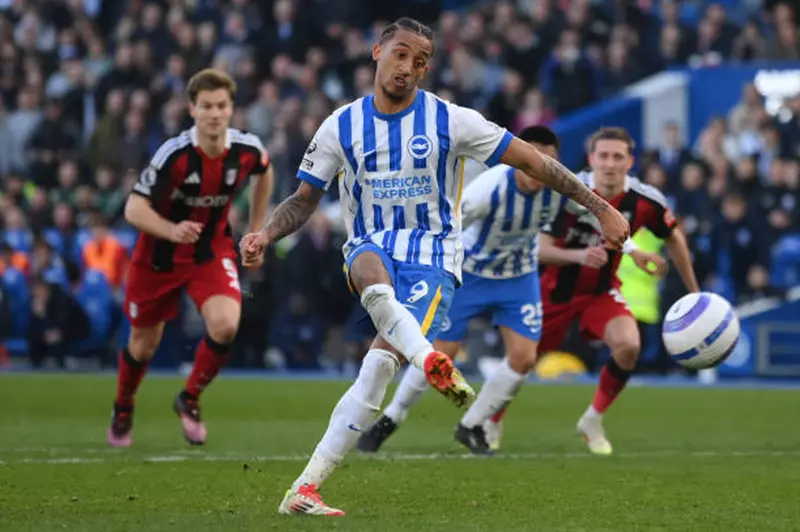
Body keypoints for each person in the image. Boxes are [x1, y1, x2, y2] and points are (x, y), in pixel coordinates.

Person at [240, 18, 629, 516]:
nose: (408, 67)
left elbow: (534, 161)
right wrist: (265, 233)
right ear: (377, 52)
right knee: (369, 268)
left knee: (378, 370)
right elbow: (302, 199)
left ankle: (304, 488)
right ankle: (429, 359)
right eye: (400, 54)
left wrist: (600, 207)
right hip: (370, 246)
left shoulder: (452, 120)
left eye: (420, 61)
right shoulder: (340, 125)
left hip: (433, 259)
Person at [355, 127, 663, 455]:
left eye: (546, 162)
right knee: (442, 352)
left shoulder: (560, 188)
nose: (537, 169)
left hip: (518, 277)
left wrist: (633, 251)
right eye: (530, 160)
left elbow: (598, 217)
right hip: (470, 274)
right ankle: (393, 416)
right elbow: (446, 228)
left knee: (524, 357)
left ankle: (472, 425)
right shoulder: (488, 190)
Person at [107, 68, 273, 447]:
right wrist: (172, 230)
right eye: (207, 106)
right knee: (143, 347)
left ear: (231, 109)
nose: (215, 114)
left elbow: (265, 171)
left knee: (226, 325)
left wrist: (256, 230)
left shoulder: (246, 150)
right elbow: (134, 208)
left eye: (221, 106)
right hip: (158, 256)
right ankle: (123, 406)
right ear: (192, 109)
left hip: (208, 251)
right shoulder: (175, 155)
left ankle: (190, 398)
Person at [529, 126, 699, 455]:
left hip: (600, 291)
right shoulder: (564, 190)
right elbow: (539, 249)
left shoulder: (646, 200)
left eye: (617, 157)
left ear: (629, 162)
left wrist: (695, 293)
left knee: (629, 345)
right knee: (521, 360)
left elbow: (674, 236)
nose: (610, 163)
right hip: (553, 291)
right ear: (591, 159)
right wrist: (580, 256)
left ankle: (592, 419)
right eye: (603, 156)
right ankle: (490, 421)